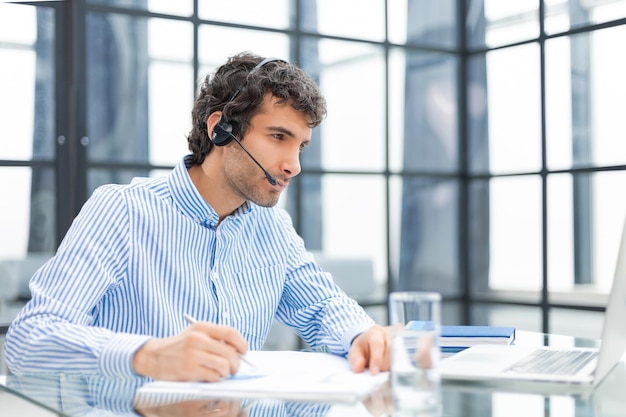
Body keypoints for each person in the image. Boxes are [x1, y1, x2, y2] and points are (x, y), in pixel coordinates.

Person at [5, 51, 390, 381]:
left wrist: (362, 335)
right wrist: (148, 355)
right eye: (278, 137)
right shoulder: (122, 210)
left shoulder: (271, 226)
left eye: (301, 146)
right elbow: (27, 340)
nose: (294, 166)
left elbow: (322, 306)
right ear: (220, 129)